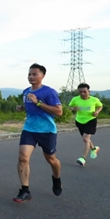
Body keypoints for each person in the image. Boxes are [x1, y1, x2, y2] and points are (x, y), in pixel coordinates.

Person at [14, 63, 63, 203]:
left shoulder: (49, 92)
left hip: (47, 130)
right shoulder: (26, 92)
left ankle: (56, 179)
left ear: (43, 76)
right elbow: (30, 107)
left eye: (34, 74)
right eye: (29, 74)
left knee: (51, 160)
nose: (31, 77)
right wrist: (22, 107)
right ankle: (25, 190)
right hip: (29, 129)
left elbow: (59, 112)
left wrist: (38, 103)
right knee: (23, 157)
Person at [68, 83, 103, 167]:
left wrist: (97, 112)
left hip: (91, 120)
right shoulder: (75, 99)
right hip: (79, 121)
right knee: (86, 139)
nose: (82, 94)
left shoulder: (94, 99)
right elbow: (70, 106)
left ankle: (83, 158)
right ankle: (94, 149)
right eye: (80, 92)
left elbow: (100, 106)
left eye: (84, 91)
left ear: (89, 91)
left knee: (85, 138)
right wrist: (73, 109)